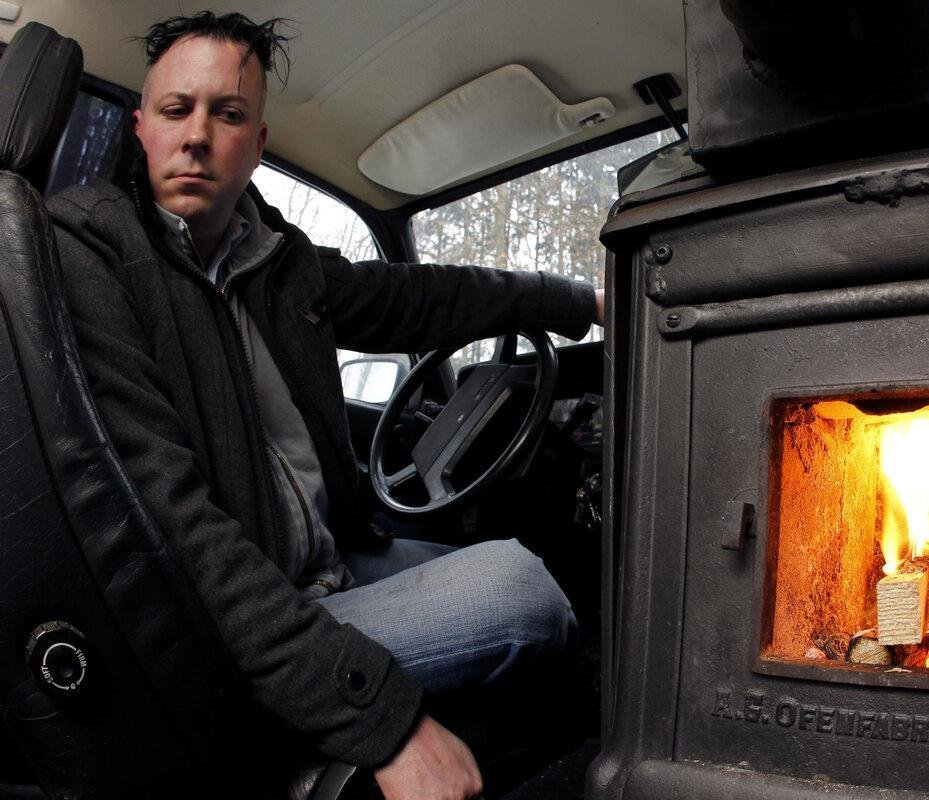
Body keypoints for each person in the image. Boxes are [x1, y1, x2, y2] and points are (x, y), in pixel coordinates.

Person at [48, 11, 603, 800]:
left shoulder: (278, 261)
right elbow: (178, 532)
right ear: (141, 127)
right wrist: (384, 720)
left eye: (227, 114)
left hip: (335, 561)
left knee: (524, 581)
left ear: (257, 142)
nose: (198, 135)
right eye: (176, 110)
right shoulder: (95, 258)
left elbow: (422, 299)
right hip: (227, 624)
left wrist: (578, 300)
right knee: (522, 591)